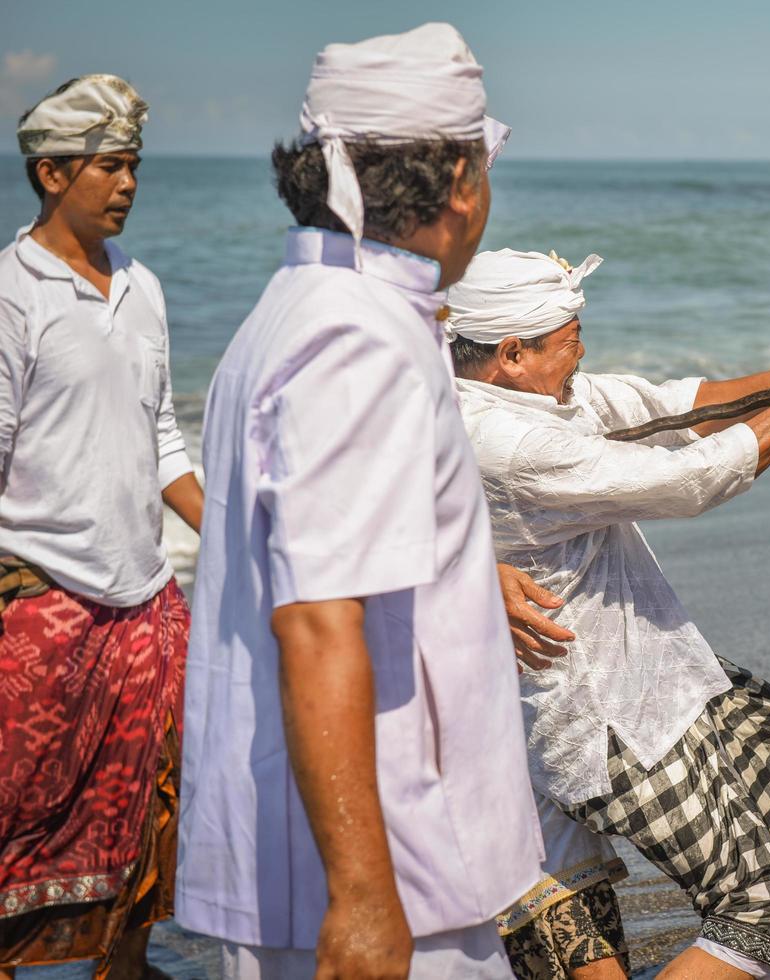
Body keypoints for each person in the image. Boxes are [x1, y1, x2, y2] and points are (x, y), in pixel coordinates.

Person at [176, 24, 543, 980]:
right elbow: (318, 621)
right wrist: (366, 894)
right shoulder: (359, 335)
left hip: (346, 860)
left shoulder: (305, 305)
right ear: (461, 182)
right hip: (386, 872)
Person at [447, 248, 770, 979]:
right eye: (570, 340)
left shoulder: (528, 397)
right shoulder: (508, 440)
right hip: (594, 713)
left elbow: (672, 409)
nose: (582, 352)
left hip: (645, 668)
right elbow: (685, 481)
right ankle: (753, 923)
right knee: (750, 916)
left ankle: (762, 909)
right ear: (510, 353)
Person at [0, 75, 205, 979]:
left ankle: (123, 969)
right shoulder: (13, 294)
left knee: (155, 811)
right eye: (109, 167)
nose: (127, 184)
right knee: (16, 815)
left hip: (146, 599)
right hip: (41, 601)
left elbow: (160, 436)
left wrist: (233, 532)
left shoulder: (145, 289)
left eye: (134, 168)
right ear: (51, 173)